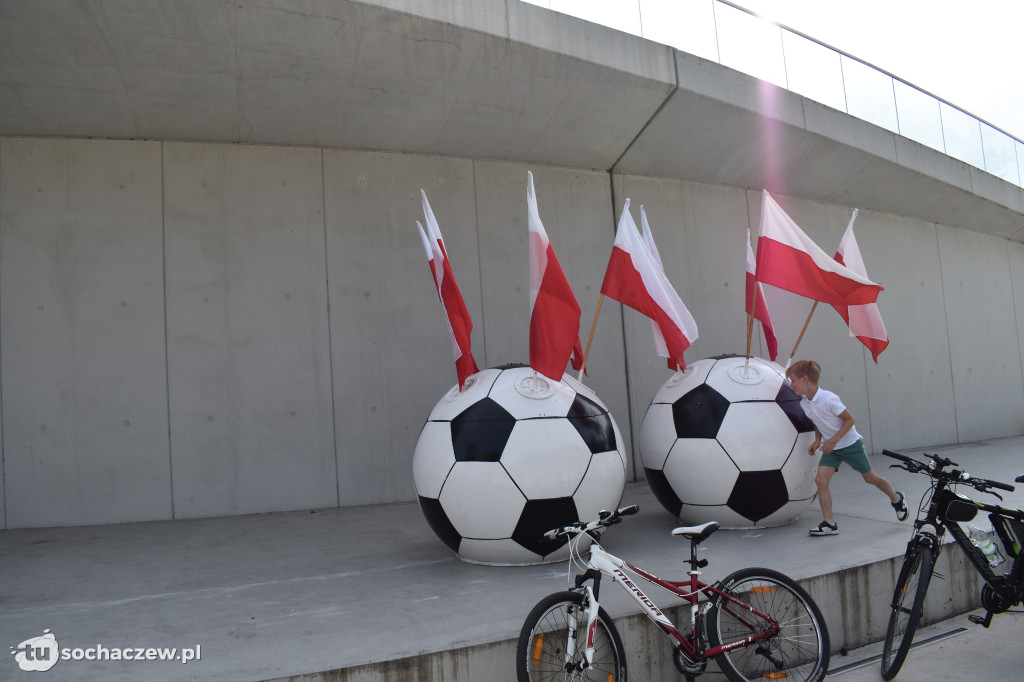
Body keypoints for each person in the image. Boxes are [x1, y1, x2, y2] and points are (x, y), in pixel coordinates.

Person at [785, 359, 907, 536]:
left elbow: (850, 419)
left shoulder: (828, 398)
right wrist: (818, 440)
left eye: (793, 379)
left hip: (850, 445)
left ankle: (897, 499)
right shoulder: (805, 403)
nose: (791, 384)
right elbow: (817, 420)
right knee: (820, 481)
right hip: (831, 447)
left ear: (805, 379)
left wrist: (833, 441)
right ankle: (829, 523)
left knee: (870, 478)